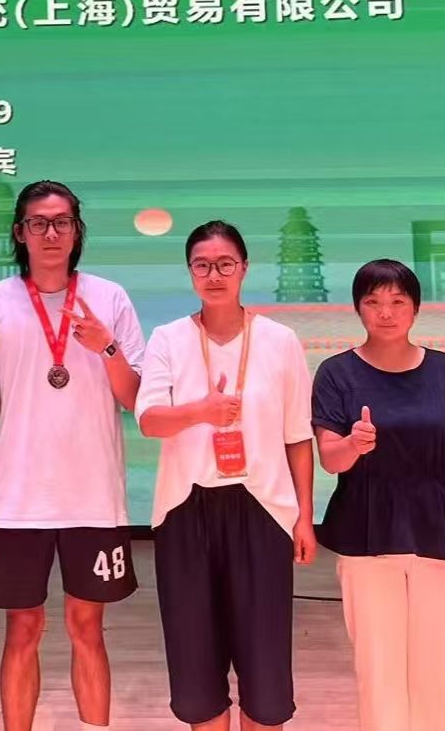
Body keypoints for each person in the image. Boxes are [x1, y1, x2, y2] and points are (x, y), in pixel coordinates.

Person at [0, 180, 144, 731]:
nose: (51, 233)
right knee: (22, 629)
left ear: (77, 231)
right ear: (19, 232)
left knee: (87, 628)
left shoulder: (109, 298)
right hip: (17, 500)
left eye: (62, 222)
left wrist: (106, 346)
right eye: (39, 223)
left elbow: (134, 397)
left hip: (93, 497)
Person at [135, 220, 317, 731]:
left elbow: (297, 436)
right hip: (185, 510)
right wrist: (202, 411)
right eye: (202, 265)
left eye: (224, 264)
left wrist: (304, 517)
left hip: (261, 508)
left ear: (244, 268)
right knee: (195, 666)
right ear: (190, 271)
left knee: (266, 671)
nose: (213, 275)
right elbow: (149, 420)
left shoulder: (279, 341)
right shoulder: (168, 338)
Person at [312, 259, 445, 731]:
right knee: (378, 669)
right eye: (373, 302)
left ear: (415, 309)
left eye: (397, 301)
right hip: (366, 537)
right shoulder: (336, 372)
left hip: (438, 535)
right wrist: (353, 444)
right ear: (358, 309)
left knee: (434, 667)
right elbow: (329, 458)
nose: (385, 312)